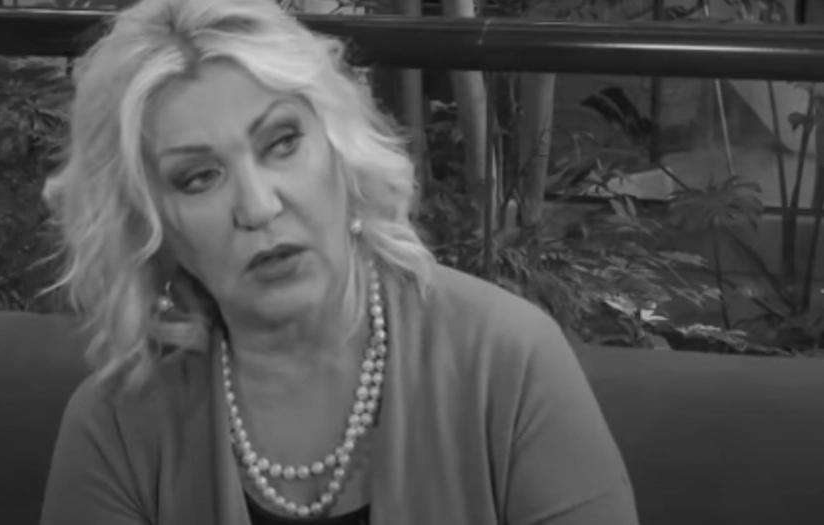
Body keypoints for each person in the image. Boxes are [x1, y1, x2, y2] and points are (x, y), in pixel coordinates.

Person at [39, 0, 638, 523]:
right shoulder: (118, 426)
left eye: (281, 143)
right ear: (152, 227)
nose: (258, 205)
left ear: (342, 151)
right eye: (198, 177)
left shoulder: (508, 361)